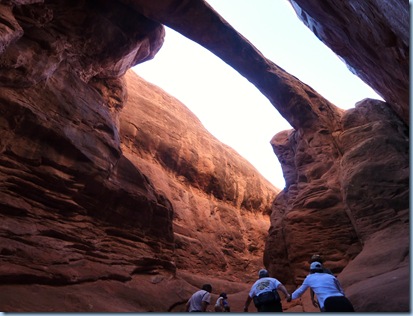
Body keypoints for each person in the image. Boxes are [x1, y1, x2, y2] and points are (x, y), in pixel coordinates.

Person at [287, 262, 355, 312]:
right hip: (343, 300)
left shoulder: (309, 278)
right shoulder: (331, 276)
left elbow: (300, 291)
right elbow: (341, 291)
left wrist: (290, 297)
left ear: (311, 270)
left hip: (329, 302)